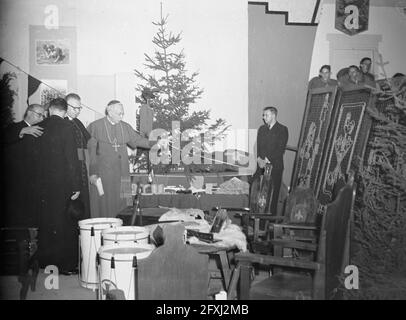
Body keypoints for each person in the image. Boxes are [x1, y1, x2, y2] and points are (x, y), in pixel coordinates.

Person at [87, 100, 157, 218]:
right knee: (106, 204)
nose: (121, 116)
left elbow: (138, 140)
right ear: (109, 111)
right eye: (119, 114)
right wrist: (93, 173)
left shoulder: (125, 127)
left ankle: (123, 226)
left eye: (122, 113)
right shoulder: (95, 126)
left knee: (124, 201)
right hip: (105, 174)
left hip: (123, 172)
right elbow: (91, 153)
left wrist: (156, 144)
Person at [35, 98, 81, 274]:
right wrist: (76, 185)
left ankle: (45, 263)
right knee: (64, 224)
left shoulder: (40, 125)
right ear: (63, 111)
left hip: (42, 185)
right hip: (62, 184)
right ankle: (65, 266)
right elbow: (71, 159)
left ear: (50, 110)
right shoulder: (67, 127)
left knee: (46, 222)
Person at [1, 104, 45, 227]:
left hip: (33, 180)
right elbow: (6, 138)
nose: (42, 118)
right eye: (39, 114)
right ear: (29, 112)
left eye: (43, 115)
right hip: (15, 181)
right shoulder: (14, 127)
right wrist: (23, 130)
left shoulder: (40, 129)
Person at [254, 106, 288, 216]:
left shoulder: (282, 129)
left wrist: (267, 160)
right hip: (261, 166)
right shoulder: (262, 129)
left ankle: (269, 223)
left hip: (275, 167)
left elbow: (280, 149)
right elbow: (259, 146)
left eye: (266, 115)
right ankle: (256, 220)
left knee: (272, 195)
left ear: (273, 115)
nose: (264, 117)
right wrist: (259, 158)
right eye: (263, 115)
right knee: (258, 193)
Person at [65, 93, 91, 220]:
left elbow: (89, 140)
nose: (77, 111)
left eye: (79, 108)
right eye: (74, 108)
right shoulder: (62, 123)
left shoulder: (77, 121)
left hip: (81, 166)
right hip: (70, 168)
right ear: (65, 106)